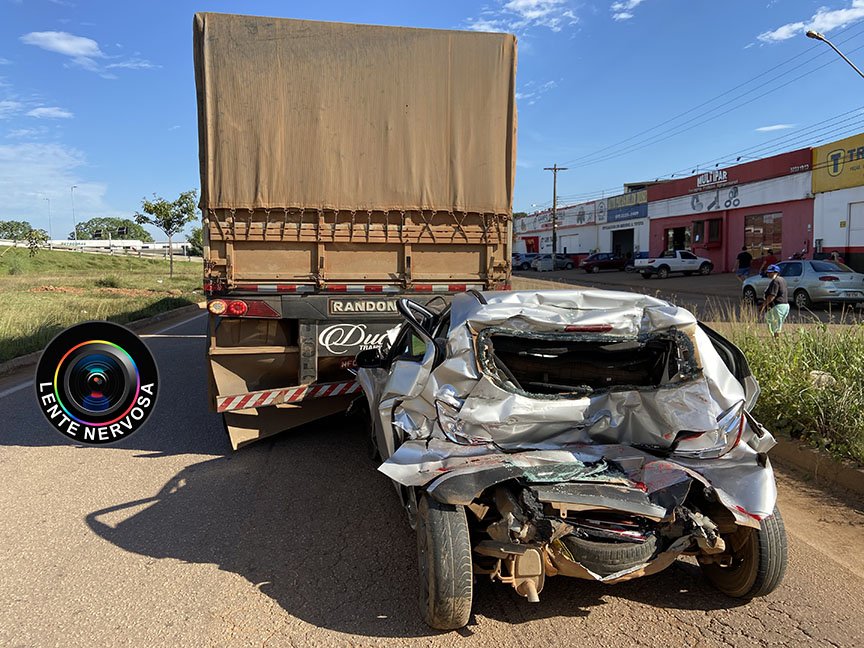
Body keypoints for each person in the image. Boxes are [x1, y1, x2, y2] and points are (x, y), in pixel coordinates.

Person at [759, 264, 789, 338]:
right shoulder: (782, 280)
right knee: (778, 325)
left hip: (777, 306)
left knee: (773, 326)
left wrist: (763, 305)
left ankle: (776, 342)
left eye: (771, 272)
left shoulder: (775, 282)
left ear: (776, 272)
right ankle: (776, 341)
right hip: (785, 305)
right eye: (768, 272)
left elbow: (772, 296)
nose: (768, 274)